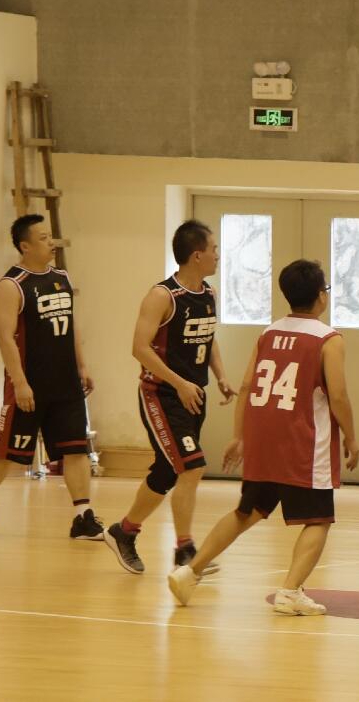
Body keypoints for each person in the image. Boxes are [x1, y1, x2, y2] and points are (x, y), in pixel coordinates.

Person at [167, 259, 359, 615]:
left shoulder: (268, 334)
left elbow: (245, 386)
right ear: (321, 296)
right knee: (318, 519)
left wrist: (238, 436)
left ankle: (189, 572)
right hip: (302, 442)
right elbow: (338, 396)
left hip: (262, 437)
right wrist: (351, 437)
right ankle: (290, 591)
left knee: (247, 511)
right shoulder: (328, 339)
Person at [104, 220, 235, 574]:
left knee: (167, 472)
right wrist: (178, 383)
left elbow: (208, 338)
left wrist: (221, 376)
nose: (218, 255)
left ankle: (123, 531)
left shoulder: (208, 293)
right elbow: (139, 348)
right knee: (192, 466)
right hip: (161, 394)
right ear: (197, 255)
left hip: (193, 394)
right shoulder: (162, 296)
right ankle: (184, 550)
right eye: (214, 249)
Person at [0, 214, 103, 540]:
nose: (51, 242)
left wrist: (82, 366)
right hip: (29, 384)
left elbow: (71, 324)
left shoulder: (61, 277)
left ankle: (82, 517)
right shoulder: (11, 285)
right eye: (43, 238)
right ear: (25, 246)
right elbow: (5, 337)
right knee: (7, 453)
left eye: (50, 236)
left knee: (76, 450)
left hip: (65, 383)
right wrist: (19, 382)